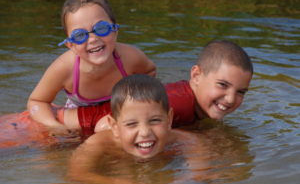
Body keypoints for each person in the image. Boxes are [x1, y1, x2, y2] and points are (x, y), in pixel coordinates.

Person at [58, 39, 253, 137]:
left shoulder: (188, 102)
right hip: (60, 130)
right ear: (196, 75)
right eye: (222, 85)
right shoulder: (180, 105)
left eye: (240, 92)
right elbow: (103, 127)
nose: (230, 98)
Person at [27, 0, 156, 133]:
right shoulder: (65, 68)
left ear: (115, 30)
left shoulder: (129, 57)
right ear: (71, 45)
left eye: (101, 28)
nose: (93, 39)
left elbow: (150, 71)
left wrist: (131, 99)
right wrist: (55, 127)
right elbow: (37, 101)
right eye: (79, 35)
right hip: (78, 117)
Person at [68, 74, 209, 184]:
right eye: (131, 124)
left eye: (154, 120)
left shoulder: (187, 141)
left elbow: (199, 175)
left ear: (169, 119)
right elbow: (78, 173)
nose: (145, 132)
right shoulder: (99, 144)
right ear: (115, 127)